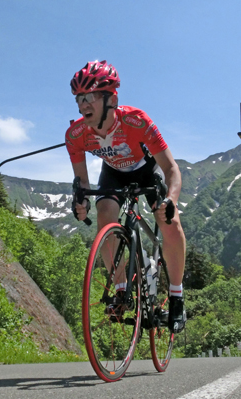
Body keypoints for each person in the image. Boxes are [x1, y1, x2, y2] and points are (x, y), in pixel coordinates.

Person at [65, 60, 187, 333]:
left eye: (91, 97)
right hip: (114, 173)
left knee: (171, 223)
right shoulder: (75, 135)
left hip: (146, 171)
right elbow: (82, 182)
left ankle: (177, 296)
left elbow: (171, 168)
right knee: (105, 219)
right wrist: (81, 202)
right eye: (79, 99)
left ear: (112, 99)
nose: (84, 104)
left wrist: (172, 201)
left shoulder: (137, 121)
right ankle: (122, 289)